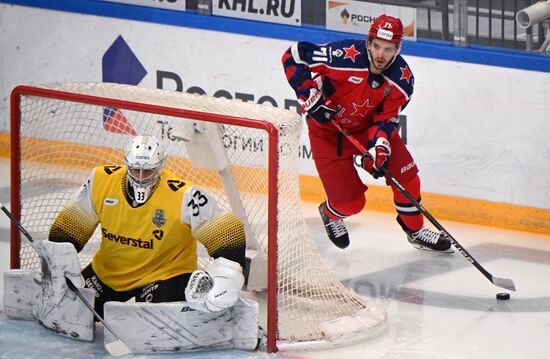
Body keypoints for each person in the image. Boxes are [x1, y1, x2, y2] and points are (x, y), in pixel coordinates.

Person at [281, 15, 452, 252]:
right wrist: (310, 97)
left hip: (365, 129)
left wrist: (379, 148)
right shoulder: (343, 56)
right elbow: (294, 55)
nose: (381, 54)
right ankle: (331, 214)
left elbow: (386, 118)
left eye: (388, 49)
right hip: (328, 132)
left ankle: (415, 231)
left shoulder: (402, 81)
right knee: (351, 203)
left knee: (407, 176)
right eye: (377, 46)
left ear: (397, 49)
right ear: (368, 42)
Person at [48, 134, 247, 318]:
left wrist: (227, 274)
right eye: (136, 170)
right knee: (68, 313)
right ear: (126, 164)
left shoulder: (183, 195)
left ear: (161, 166)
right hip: (109, 272)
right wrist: (61, 262)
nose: (141, 177)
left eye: (148, 171)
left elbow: (228, 231)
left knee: (163, 322)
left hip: (163, 275)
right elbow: (72, 225)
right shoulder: (101, 180)